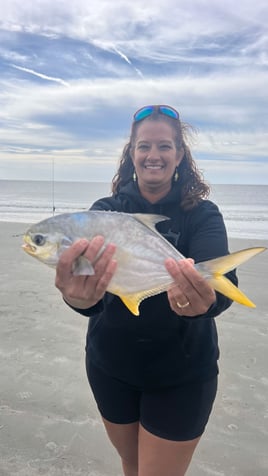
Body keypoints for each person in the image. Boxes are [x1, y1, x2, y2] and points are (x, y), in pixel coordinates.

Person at [55, 105, 237, 476]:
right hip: (111, 367)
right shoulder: (104, 213)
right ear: (132, 154)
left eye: (165, 146)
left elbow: (223, 288)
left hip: (182, 374)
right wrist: (76, 298)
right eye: (144, 146)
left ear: (179, 155)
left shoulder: (202, 215)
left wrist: (202, 302)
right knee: (131, 464)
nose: (154, 155)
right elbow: (90, 294)